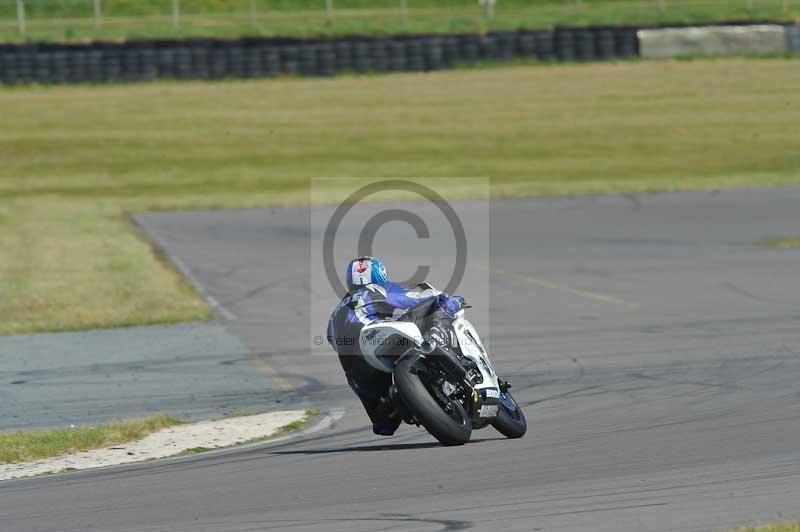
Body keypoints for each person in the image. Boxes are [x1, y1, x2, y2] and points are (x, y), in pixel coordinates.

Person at [327, 256, 464, 436]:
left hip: (354, 365)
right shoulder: (376, 289)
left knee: (384, 424)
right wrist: (448, 299)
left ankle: (396, 399)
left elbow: (332, 339)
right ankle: (436, 337)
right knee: (439, 303)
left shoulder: (335, 312)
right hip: (379, 335)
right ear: (380, 274)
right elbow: (414, 299)